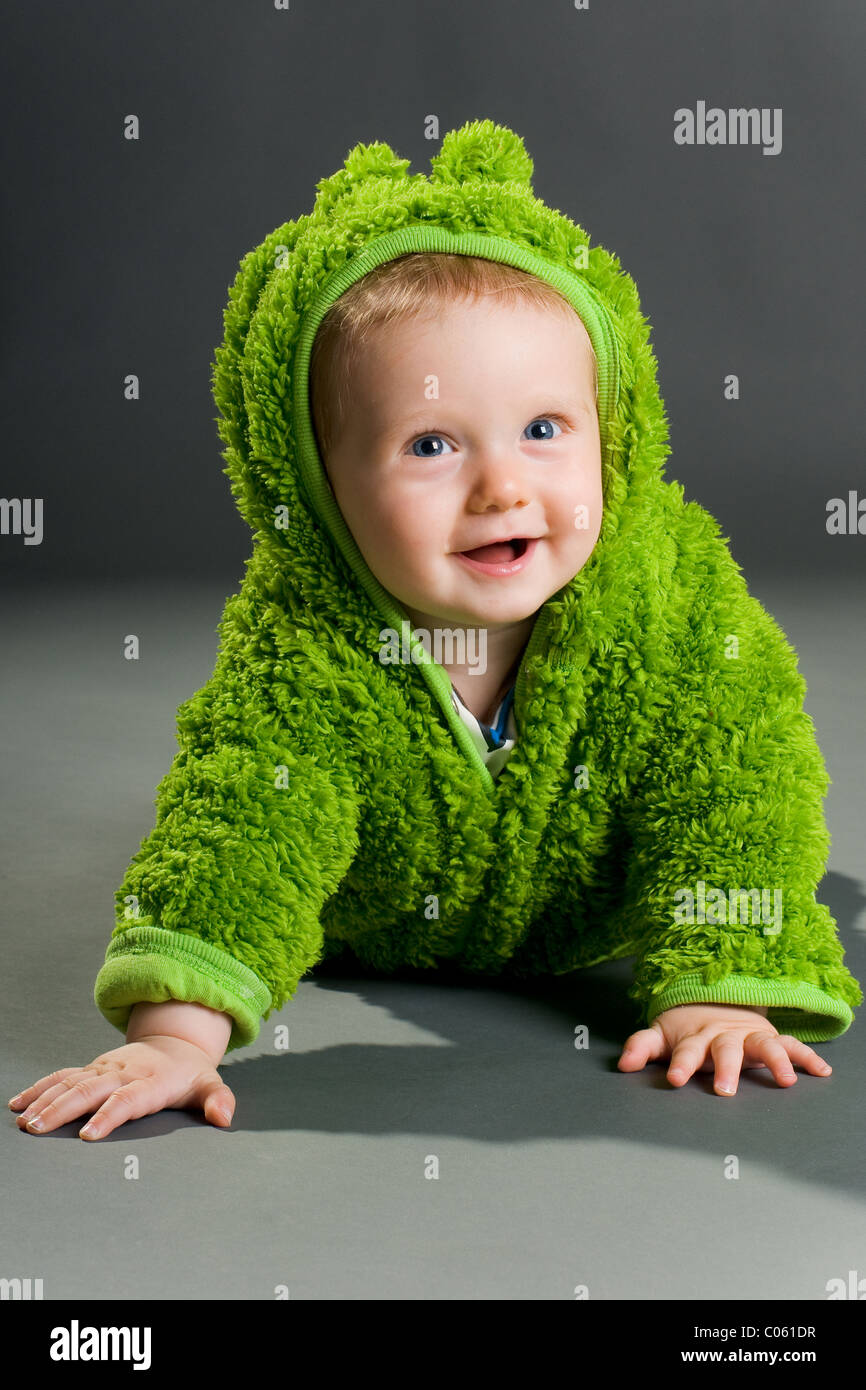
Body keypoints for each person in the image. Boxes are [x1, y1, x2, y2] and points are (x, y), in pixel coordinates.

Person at [10, 119, 861, 1141]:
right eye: (428, 444)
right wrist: (174, 1038)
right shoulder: (308, 647)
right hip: (375, 929)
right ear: (320, 487)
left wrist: (719, 984)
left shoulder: (675, 610)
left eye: (543, 429)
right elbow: (239, 829)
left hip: (589, 924)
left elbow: (734, 788)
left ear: (612, 429)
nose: (501, 486)